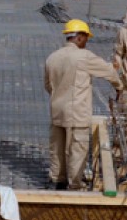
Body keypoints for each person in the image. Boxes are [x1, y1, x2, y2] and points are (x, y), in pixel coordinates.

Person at [44, 19, 122, 190]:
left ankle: (58, 180)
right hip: (77, 112)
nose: (87, 41)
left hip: (57, 110)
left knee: (58, 149)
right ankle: (75, 185)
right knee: (77, 150)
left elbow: (48, 86)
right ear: (79, 37)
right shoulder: (84, 56)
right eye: (86, 37)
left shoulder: (52, 58)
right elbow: (109, 72)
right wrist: (119, 87)